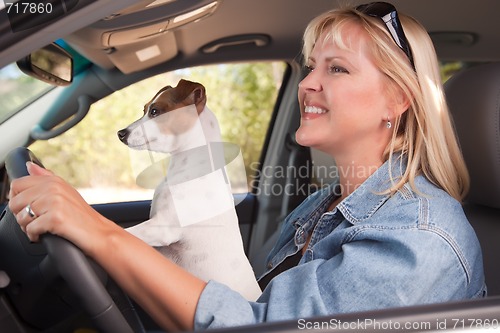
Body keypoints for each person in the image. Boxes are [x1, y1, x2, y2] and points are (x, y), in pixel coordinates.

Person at [9, 2, 486, 331]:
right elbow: (257, 308)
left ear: (397, 99)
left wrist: (99, 233)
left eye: (336, 68)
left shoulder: (420, 240)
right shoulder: (324, 204)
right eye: (310, 66)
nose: (308, 84)